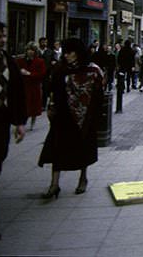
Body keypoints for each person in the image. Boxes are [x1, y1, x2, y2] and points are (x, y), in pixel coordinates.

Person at [38, 38, 104, 198]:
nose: (67, 55)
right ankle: (54, 184)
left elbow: (99, 94)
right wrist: (51, 107)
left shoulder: (93, 70)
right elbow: (53, 90)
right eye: (65, 52)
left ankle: (83, 178)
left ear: (79, 53)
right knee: (57, 147)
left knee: (83, 148)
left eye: (70, 52)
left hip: (85, 116)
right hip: (63, 114)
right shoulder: (60, 69)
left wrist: (96, 114)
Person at [0, 20, 26, 241]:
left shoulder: (7, 62)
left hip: (0, 121)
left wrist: (19, 122)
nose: (2, 40)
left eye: (3, 36)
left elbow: (17, 92)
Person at [16, 42, 46, 131]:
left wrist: (30, 74)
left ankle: (32, 124)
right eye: (28, 49)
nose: (30, 52)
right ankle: (23, 123)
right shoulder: (20, 60)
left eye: (32, 50)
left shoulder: (40, 61)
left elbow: (42, 74)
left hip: (34, 87)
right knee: (24, 106)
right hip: (24, 86)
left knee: (34, 107)